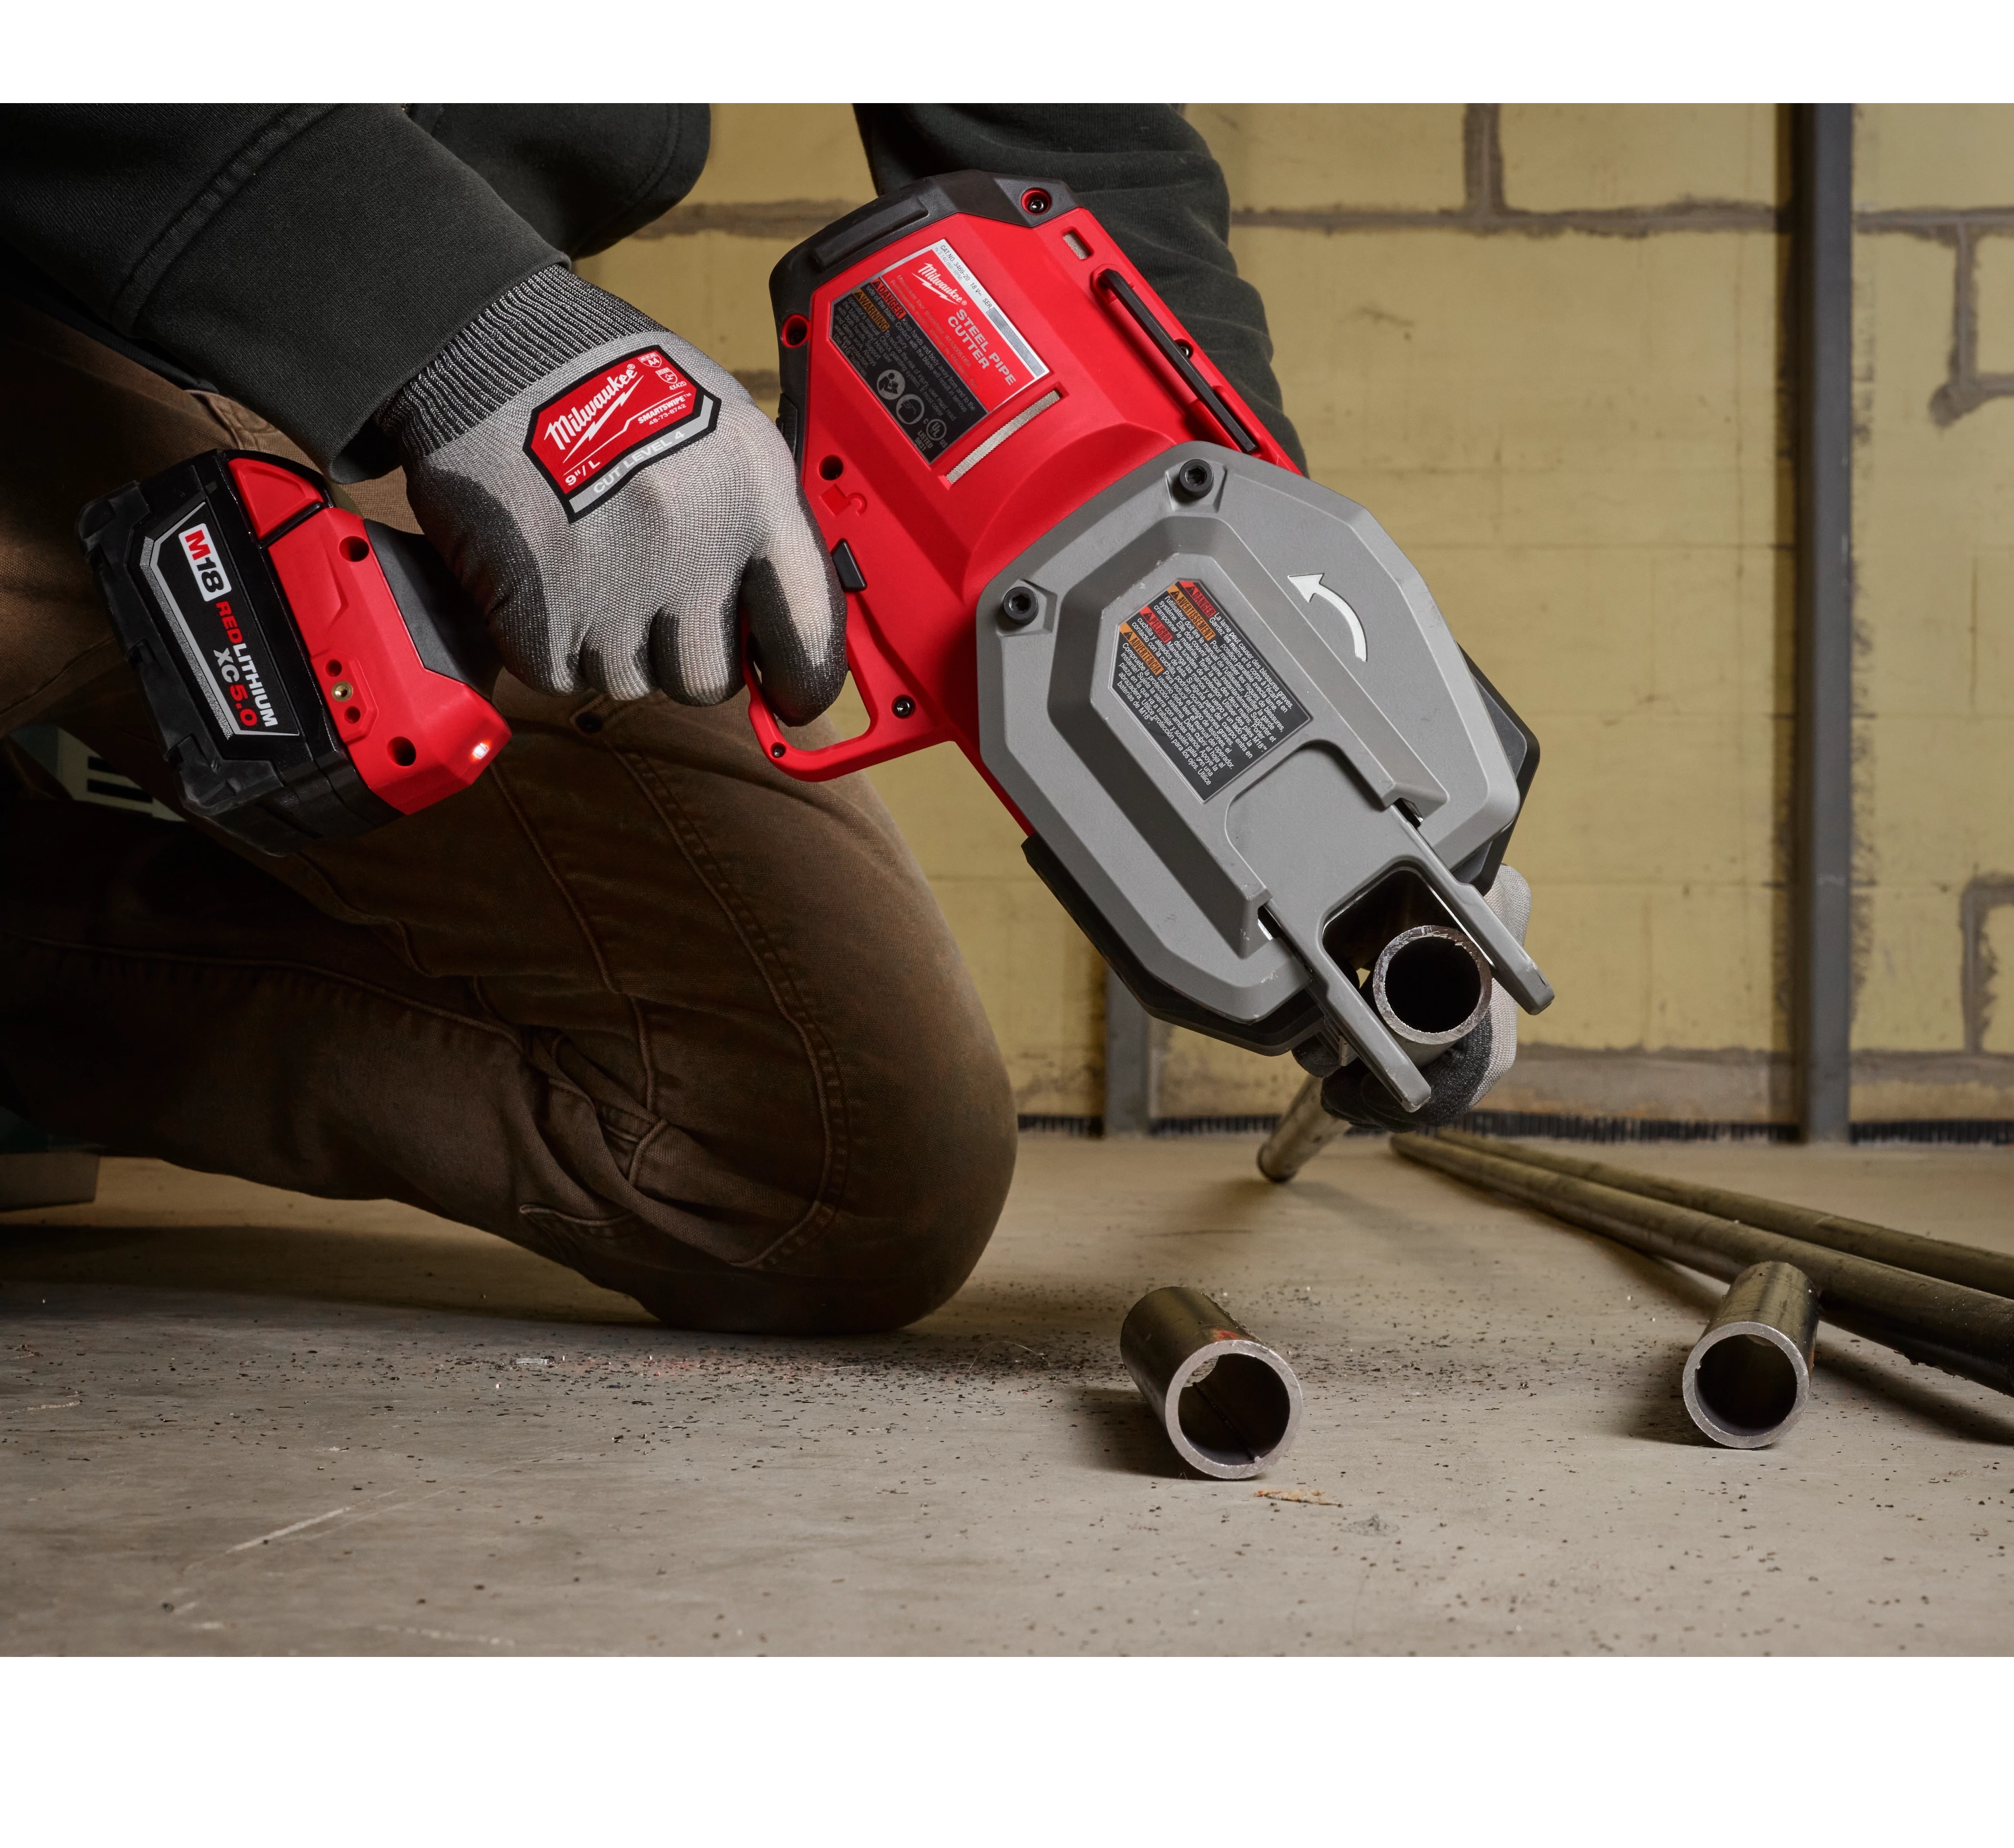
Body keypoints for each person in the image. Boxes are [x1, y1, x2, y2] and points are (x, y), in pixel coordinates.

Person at [0, 103, 1525, 1333]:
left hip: (344, 386)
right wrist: (489, 342)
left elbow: (1073, 145)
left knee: (841, 1156)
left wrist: (1313, 661)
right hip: (96, 265)